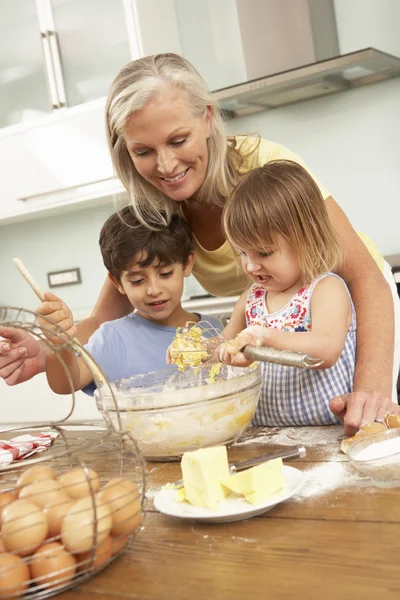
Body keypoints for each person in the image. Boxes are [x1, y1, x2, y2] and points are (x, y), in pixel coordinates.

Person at [0, 53, 399, 434]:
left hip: (352, 307)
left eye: (177, 140)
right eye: (144, 151)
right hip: (273, 316)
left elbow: (366, 280)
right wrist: (48, 350)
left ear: (207, 119)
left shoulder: (266, 171)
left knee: (361, 426)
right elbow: (104, 321)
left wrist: (372, 388)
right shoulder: (155, 207)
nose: (166, 166)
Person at [216, 160, 356, 426]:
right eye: (243, 252)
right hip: (266, 434)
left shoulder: (325, 289)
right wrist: (195, 351)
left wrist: (265, 337)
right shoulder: (252, 297)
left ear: (307, 238)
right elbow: (224, 342)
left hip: (327, 433)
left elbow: (326, 350)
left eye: (264, 253)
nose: (250, 265)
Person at [36, 207, 221, 394]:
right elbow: (67, 383)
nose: (154, 290)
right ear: (118, 283)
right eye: (137, 281)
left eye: (165, 274)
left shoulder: (213, 328)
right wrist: (58, 344)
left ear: (187, 263)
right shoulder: (114, 337)